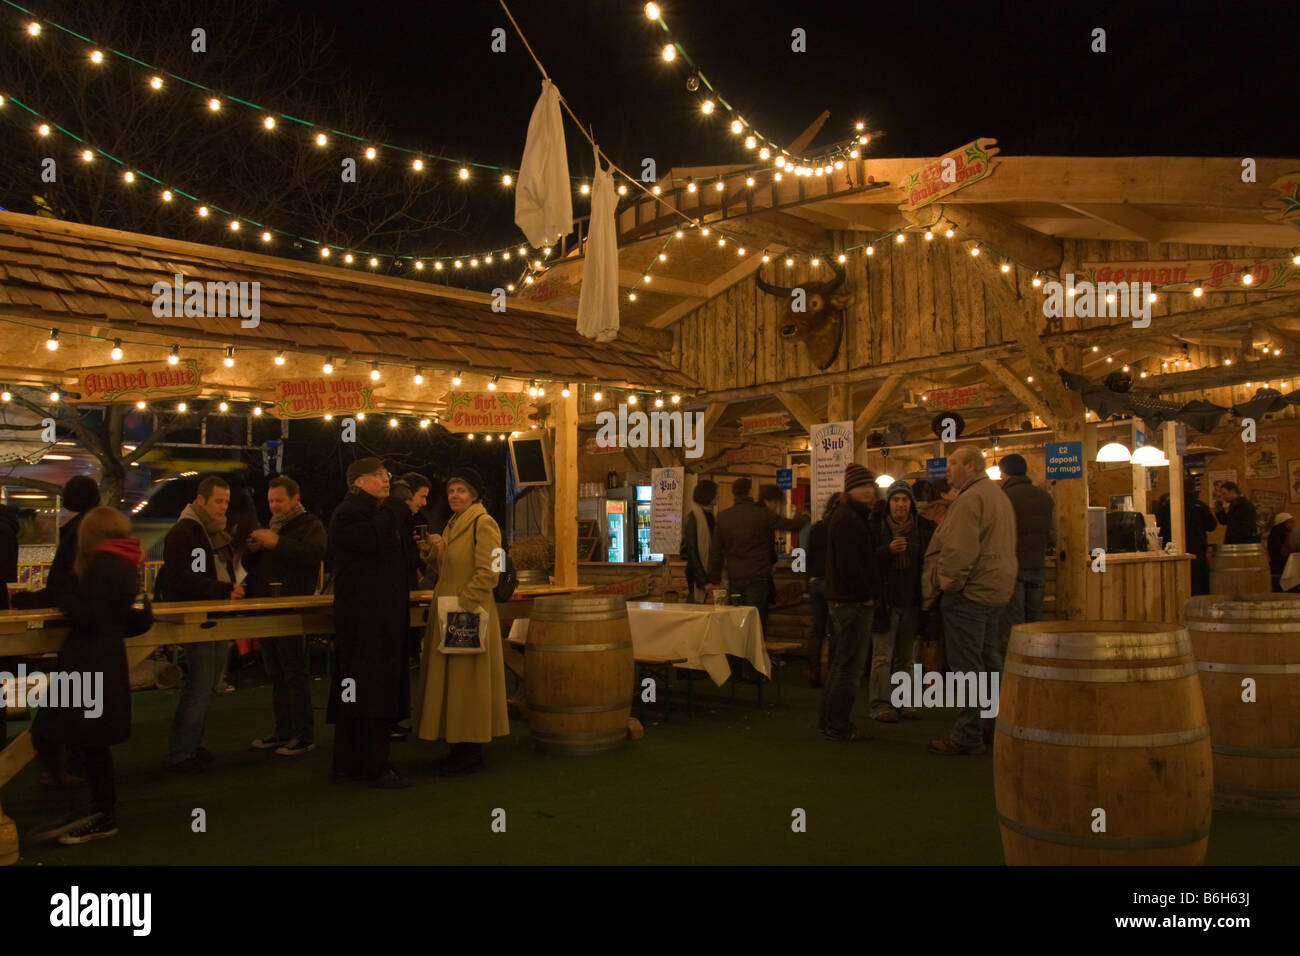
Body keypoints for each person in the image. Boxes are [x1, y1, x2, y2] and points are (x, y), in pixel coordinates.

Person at [26, 507, 151, 846]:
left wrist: (63, 599)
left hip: (87, 663)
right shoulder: (128, 565)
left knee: (52, 732)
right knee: (90, 743)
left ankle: (93, 813)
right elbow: (141, 620)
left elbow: (86, 614)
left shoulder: (102, 567)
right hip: (104, 661)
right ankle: (93, 811)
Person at [413, 467, 510, 775]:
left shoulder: (484, 522)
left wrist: (466, 604)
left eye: (462, 490)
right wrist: (432, 550)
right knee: (456, 682)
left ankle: (470, 751)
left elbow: (492, 568)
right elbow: (450, 566)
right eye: (452, 490)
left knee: (470, 683)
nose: (455, 495)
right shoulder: (456, 523)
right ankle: (458, 745)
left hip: (469, 614)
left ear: (475, 495)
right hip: (452, 612)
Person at [924, 446, 1017, 756]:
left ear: (971, 466)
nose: (947, 469)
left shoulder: (969, 500)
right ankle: (993, 725)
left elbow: (959, 552)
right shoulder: (997, 496)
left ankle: (967, 733)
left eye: (952, 463)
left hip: (970, 593)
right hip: (996, 589)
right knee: (989, 660)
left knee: (967, 666)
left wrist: (948, 584)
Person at [327, 458, 413, 788]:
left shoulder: (370, 512)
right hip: (367, 620)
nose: (387, 478)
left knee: (359, 692)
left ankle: (351, 762)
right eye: (378, 475)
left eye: (386, 473)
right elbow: (374, 539)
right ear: (358, 482)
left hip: (374, 617)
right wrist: (394, 510)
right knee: (370, 691)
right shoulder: (349, 514)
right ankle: (374, 765)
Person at [162, 476, 243, 772]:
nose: (223, 508)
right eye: (219, 501)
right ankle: (182, 752)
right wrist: (224, 590)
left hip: (212, 615)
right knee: (200, 685)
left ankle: (192, 745)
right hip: (200, 617)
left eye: (226, 502)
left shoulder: (208, 533)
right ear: (201, 500)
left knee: (206, 685)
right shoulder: (187, 533)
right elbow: (184, 578)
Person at [244, 476, 327, 757]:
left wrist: (276, 542)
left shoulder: (310, 525)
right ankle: (282, 731)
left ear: (295, 498)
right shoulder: (273, 527)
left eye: (279, 500)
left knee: (294, 671)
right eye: (270, 501)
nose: (274, 506)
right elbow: (255, 566)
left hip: (292, 608)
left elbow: (312, 556)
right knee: (276, 673)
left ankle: (303, 734)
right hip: (267, 607)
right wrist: (252, 551)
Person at [819, 464, 879, 742]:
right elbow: (849, 565)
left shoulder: (849, 516)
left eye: (871, 485)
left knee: (842, 662)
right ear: (849, 489)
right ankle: (838, 723)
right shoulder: (847, 520)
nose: (868, 490)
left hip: (844, 598)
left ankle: (830, 719)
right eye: (862, 485)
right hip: (851, 601)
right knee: (849, 666)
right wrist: (865, 594)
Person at [868, 481, 935, 722]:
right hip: (884, 601)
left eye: (904, 500)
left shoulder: (923, 529)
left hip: (912, 600)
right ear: (888, 504)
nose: (900, 505)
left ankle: (904, 701)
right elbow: (864, 561)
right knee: (882, 656)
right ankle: (880, 704)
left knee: (907, 656)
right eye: (895, 500)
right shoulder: (875, 527)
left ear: (911, 504)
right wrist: (886, 551)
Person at [706, 477, 809, 632]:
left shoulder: (723, 516)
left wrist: (713, 579)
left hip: (735, 577)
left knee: (737, 621)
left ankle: (738, 655)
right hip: (757, 576)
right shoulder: (761, 514)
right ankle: (754, 655)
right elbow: (790, 526)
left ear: (733, 493)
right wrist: (806, 516)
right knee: (756, 622)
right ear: (750, 492)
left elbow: (716, 551)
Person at [11, 476, 101, 610]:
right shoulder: (93, 527)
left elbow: (66, 581)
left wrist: (37, 599)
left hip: (74, 613)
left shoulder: (79, 531)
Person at [999, 454, 1055, 638]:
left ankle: (1017, 662)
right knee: (1035, 619)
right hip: (1038, 565)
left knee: (1015, 623)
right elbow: (1052, 535)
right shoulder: (1044, 497)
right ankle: (1037, 659)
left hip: (1013, 568)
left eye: (1000, 473)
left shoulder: (1004, 498)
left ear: (1006, 473)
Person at [801, 492, 840, 688]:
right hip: (834, 583)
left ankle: (814, 672)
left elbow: (808, 556)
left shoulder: (817, 528)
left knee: (817, 631)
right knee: (834, 631)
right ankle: (832, 673)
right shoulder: (841, 528)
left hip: (816, 582)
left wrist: (806, 583)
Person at [1155, 479, 1216, 594]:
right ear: (1193, 489)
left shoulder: (1167, 506)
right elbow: (1212, 526)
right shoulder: (1200, 505)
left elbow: (1158, 526)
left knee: (1175, 582)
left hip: (1172, 550)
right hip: (1197, 549)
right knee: (1197, 583)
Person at [682, 480, 717, 604]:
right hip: (697, 576)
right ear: (708, 495)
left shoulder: (710, 515)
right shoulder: (694, 517)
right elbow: (692, 552)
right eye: (715, 493)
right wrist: (703, 581)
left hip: (708, 574)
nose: (717, 496)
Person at [1268, 511, 1295, 590]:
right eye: (1290, 522)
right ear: (1283, 524)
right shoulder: (1275, 536)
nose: (1292, 524)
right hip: (1279, 565)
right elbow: (1282, 553)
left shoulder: (1288, 534)